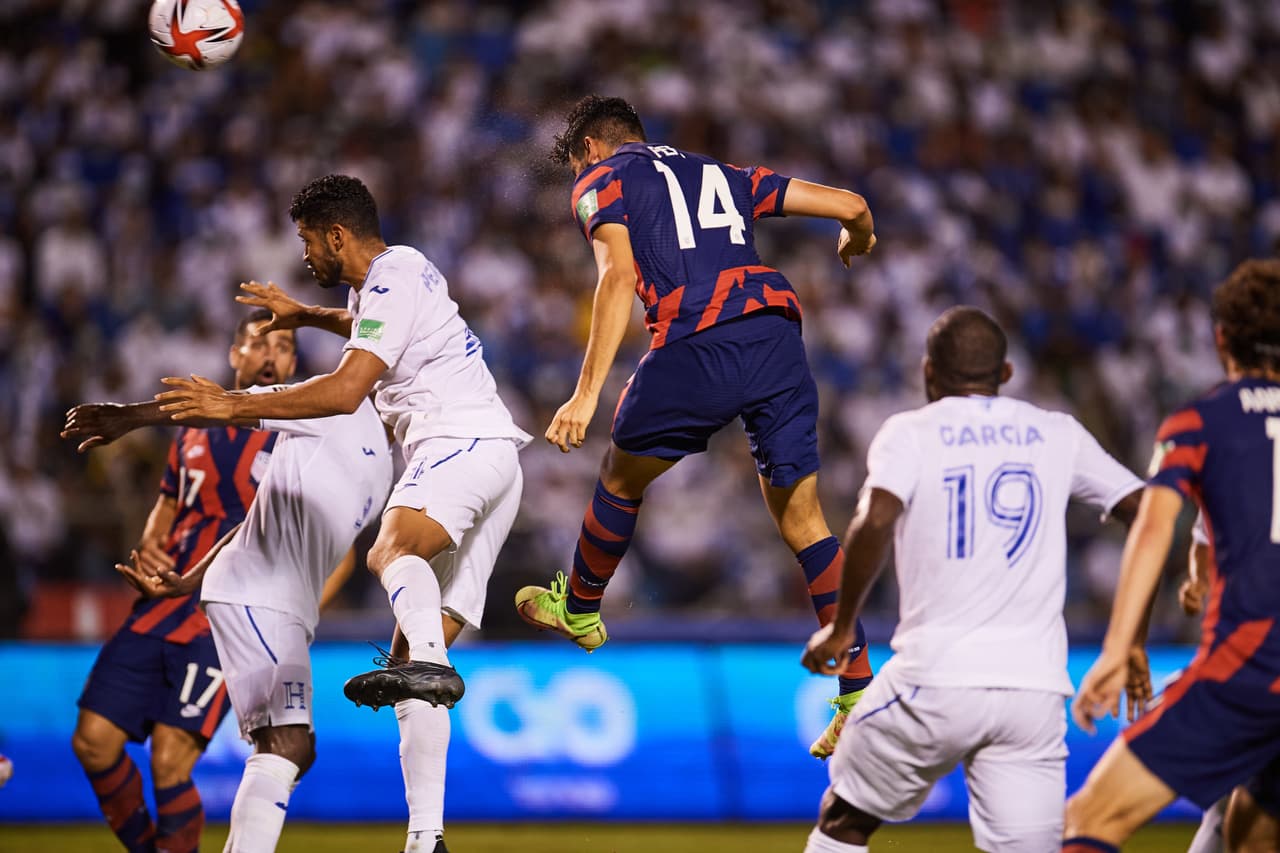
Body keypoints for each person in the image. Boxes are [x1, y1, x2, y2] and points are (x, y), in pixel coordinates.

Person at [154, 174, 531, 853]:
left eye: (306, 239)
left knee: (391, 550)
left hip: (458, 441)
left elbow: (348, 386)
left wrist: (233, 405)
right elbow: (369, 332)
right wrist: (306, 313)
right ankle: (426, 837)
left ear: (336, 234)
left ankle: (431, 669)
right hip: (493, 461)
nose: (304, 253)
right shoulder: (386, 286)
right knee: (414, 657)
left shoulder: (395, 268)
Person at [514, 95, 878, 756]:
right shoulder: (723, 174)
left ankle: (583, 606)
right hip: (775, 334)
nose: (576, 183)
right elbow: (851, 204)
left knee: (620, 475)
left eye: (574, 167)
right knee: (805, 522)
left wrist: (585, 393)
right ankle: (857, 687)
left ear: (591, 149)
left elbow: (618, 274)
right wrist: (860, 234)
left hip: (698, 337)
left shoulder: (603, 179)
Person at [799, 306, 1145, 853]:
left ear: (927, 372)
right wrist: (1134, 635)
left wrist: (842, 629)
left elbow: (877, 518)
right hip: (1034, 689)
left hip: (936, 677)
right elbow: (1148, 510)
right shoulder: (1056, 432)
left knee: (844, 820)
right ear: (1005, 375)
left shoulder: (910, 432)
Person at [65, 371, 393, 853]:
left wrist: (188, 579)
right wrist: (130, 418)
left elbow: (254, 521)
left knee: (295, 751)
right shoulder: (332, 402)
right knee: (283, 745)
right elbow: (220, 405)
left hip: (282, 605)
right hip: (256, 593)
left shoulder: (385, 471)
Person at [1066, 260, 1280, 853]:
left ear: (1220, 339)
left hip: (1250, 669)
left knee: (1089, 819)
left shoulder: (1198, 422)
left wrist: (1118, 645)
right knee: (1250, 838)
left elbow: (1155, 524)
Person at [65, 311, 295, 853]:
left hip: (226, 616)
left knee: (170, 758)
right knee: (93, 743)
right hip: (159, 605)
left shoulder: (295, 433)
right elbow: (170, 499)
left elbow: (322, 544)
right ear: (234, 355)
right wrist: (150, 538)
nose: (272, 357)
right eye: (261, 345)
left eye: (284, 347)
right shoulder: (191, 431)